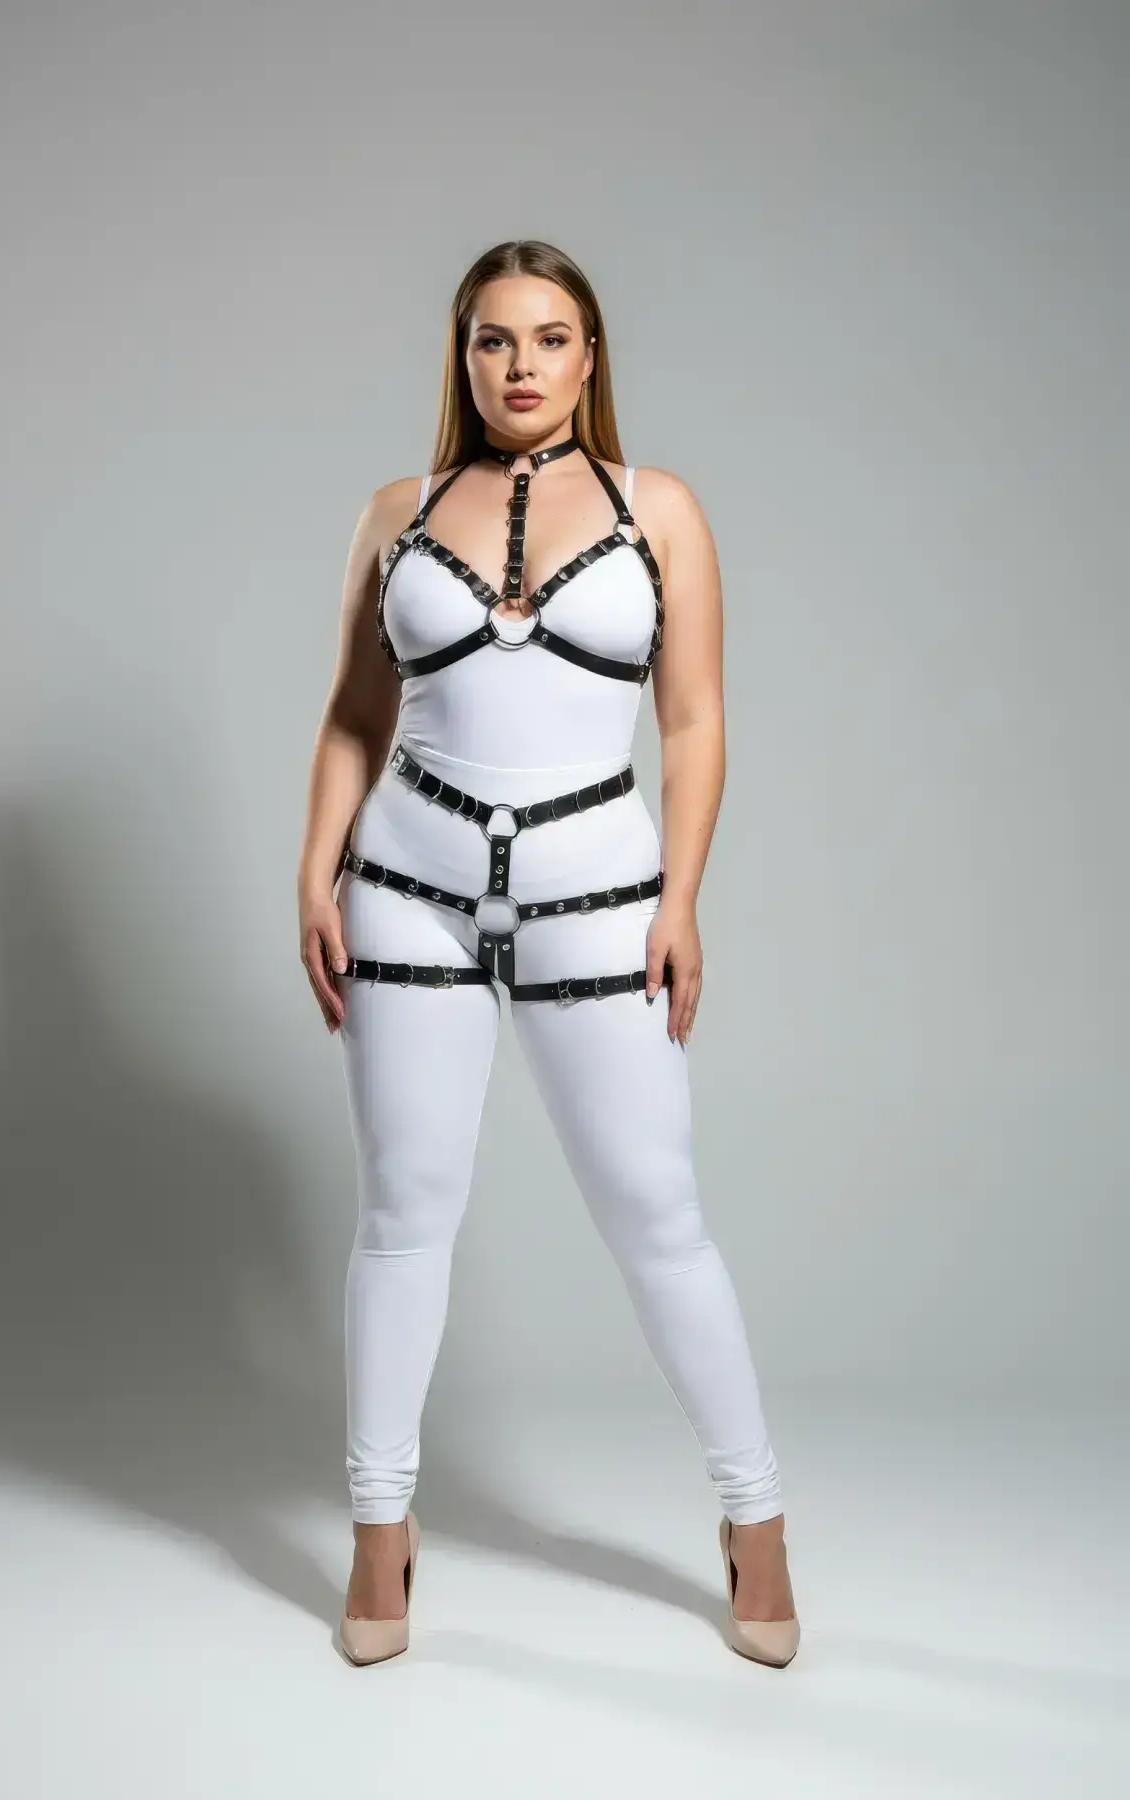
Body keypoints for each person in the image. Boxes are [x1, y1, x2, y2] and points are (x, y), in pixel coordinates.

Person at [297, 239, 800, 1669]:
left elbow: (693, 719)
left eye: (551, 337)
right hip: (407, 888)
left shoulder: (660, 509)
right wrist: (314, 868)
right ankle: (380, 1530)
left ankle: (756, 1518)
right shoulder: (394, 513)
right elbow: (353, 714)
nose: (521, 365)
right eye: (493, 339)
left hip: (598, 893)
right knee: (404, 1211)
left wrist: (681, 898)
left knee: (656, 1212)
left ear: (591, 356)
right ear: (462, 358)